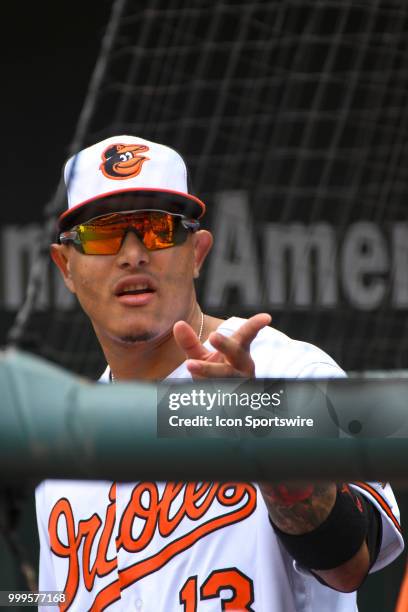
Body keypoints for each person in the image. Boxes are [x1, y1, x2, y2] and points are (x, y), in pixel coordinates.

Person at [36, 135, 403, 611]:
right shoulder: (59, 459)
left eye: (156, 229)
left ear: (198, 252)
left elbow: (350, 562)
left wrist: (266, 439)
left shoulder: (288, 372)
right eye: (104, 233)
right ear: (66, 266)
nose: (132, 255)